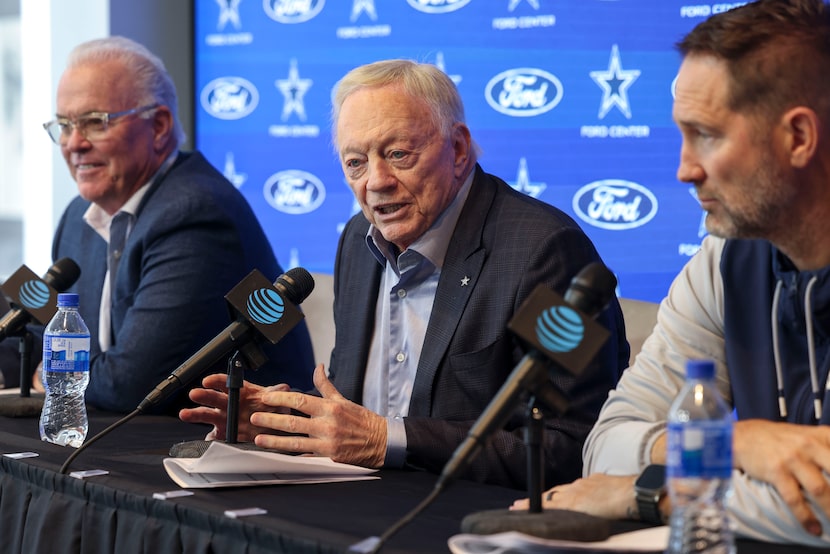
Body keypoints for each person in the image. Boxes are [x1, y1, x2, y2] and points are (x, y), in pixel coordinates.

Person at [179, 59, 630, 489]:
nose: (376, 181)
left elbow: (573, 445)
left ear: (456, 149)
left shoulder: (542, 255)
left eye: (397, 154)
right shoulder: (358, 240)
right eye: (355, 163)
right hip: (357, 510)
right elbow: (357, 415)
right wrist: (286, 421)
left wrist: (387, 440)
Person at [512, 0, 830, 546]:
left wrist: (649, 494)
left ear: (798, 137)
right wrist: (733, 444)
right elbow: (608, 441)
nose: (685, 169)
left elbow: (822, 506)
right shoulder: (724, 261)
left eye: (706, 134)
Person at [0, 36, 314, 413]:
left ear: (159, 125)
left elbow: (131, 383)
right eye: (65, 125)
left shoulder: (195, 214)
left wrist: (43, 374)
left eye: (94, 122)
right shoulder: (77, 218)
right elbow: (44, 334)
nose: (74, 143)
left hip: (245, 456)